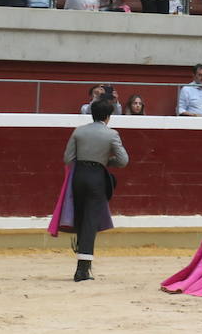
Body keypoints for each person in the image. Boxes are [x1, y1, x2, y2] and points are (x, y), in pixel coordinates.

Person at [60, 96, 128, 282]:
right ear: (108, 116)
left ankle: (82, 262)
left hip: (79, 176)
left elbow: (67, 158)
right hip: (97, 177)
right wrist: (105, 161)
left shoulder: (79, 131)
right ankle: (82, 270)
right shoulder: (111, 134)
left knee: (81, 217)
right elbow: (123, 161)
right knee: (90, 221)